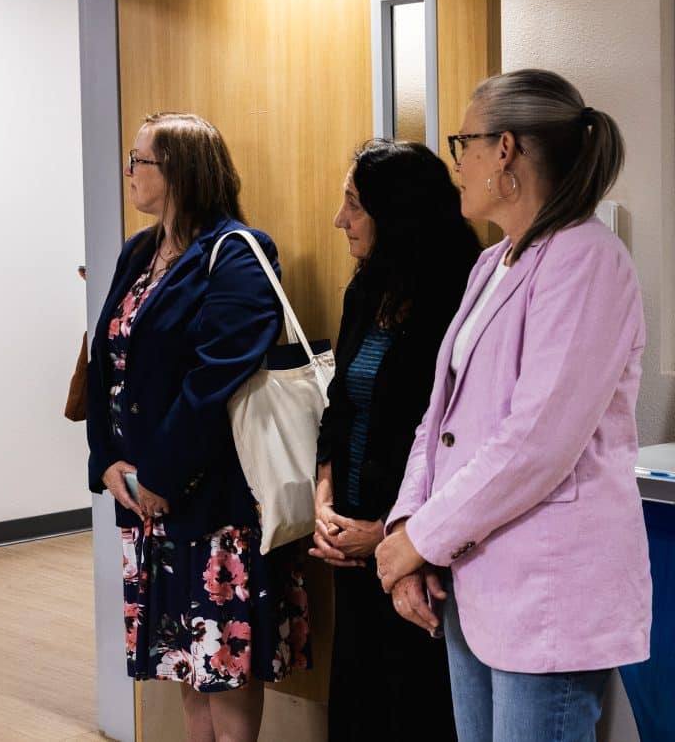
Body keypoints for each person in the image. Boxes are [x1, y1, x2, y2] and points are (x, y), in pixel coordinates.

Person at [375, 69, 652, 742]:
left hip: (546, 589)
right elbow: (440, 422)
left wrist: (421, 538)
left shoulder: (587, 260)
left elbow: (536, 442)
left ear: (504, 151)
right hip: (475, 573)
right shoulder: (492, 261)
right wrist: (408, 528)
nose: (456, 164)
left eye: (461, 143)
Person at [86, 112, 309, 742]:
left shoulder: (237, 252)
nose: (129, 172)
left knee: (223, 664)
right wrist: (107, 458)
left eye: (140, 161)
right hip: (145, 498)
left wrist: (161, 473)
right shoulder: (139, 251)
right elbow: (106, 362)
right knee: (184, 662)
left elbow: (216, 378)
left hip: (212, 500)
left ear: (179, 171)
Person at [310, 139, 480, 741]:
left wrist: (384, 532)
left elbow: (451, 440)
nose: (340, 220)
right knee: (356, 708)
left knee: (415, 710)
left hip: (422, 551)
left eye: (353, 204)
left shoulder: (460, 299)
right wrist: (324, 499)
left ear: (396, 212)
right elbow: (340, 406)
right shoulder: (366, 290)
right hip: (352, 543)